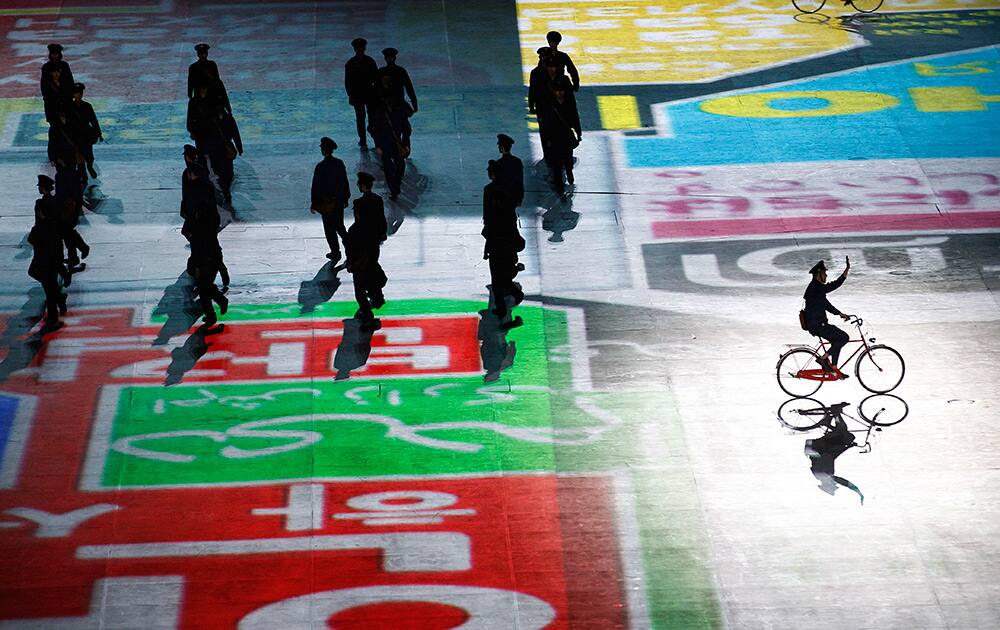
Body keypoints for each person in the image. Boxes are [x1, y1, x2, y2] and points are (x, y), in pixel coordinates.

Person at [180, 145, 230, 291]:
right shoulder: (193, 173)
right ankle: (209, 267)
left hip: (201, 218)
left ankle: (213, 269)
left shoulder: (199, 177)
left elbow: (199, 198)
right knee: (206, 243)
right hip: (197, 217)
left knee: (206, 244)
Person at [482, 160, 525, 322]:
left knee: (496, 274)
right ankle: (511, 296)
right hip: (507, 238)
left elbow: (487, 217)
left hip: (496, 239)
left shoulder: (489, 190)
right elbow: (511, 216)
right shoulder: (509, 189)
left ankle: (503, 304)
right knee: (504, 273)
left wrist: (487, 244)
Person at [28, 176, 71, 330]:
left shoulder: (40, 205)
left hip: (44, 248)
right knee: (49, 280)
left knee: (46, 281)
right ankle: (59, 300)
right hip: (54, 247)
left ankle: (54, 312)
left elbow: (39, 223)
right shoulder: (56, 204)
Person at [345, 172, 388, 329]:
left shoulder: (355, 230)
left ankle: (367, 314)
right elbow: (382, 219)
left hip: (360, 254)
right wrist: (382, 233)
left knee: (359, 288)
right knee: (372, 268)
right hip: (373, 244)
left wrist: (350, 263)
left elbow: (351, 249)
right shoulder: (377, 200)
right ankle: (377, 296)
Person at [802, 258, 853, 374]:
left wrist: (839, 313)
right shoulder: (816, 287)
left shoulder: (815, 288)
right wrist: (846, 271)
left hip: (816, 324)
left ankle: (834, 368)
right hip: (817, 325)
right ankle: (823, 359)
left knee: (837, 340)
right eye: (824, 273)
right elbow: (833, 289)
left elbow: (826, 303)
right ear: (819, 274)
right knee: (844, 338)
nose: (826, 276)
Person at [538, 75, 581, 197]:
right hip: (555, 138)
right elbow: (546, 125)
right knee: (557, 163)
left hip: (566, 137)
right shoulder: (550, 105)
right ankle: (560, 187)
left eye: (561, 90)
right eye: (557, 91)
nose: (559, 93)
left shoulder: (568, 103)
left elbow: (575, 118)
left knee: (567, 159)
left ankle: (569, 172)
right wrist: (547, 139)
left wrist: (578, 132)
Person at [310, 137, 351, 262]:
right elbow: (344, 182)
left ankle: (335, 252)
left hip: (325, 203)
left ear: (323, 151)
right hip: (338, 201)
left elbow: (316, 186)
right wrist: (345, 198)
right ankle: (350, 248)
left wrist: (314, 203)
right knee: (340, 226)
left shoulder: (320, 167)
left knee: (329, 229)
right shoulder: (339, 163)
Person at [370, 96, 409, 200]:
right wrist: (378, 145)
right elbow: (374, 130)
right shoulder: (380, 114)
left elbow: (406, 129)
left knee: (400, 166)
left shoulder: (399, 113)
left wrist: (406, 144)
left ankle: (395, 186)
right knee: (389, 169)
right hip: (385, 145)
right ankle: (394, 190)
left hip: (396, 145)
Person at [344, 38, 379, 148]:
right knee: (363, 118)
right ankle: (364, 139)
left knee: (368, 118)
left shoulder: (354, 63)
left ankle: (368, 138)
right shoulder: (367, 61)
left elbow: (376, 78)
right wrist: (351, 95)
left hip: (366, 95)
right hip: (362, 95)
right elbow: (348, 81)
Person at [54, 159, 89, 268]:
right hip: (71, 206)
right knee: (67, 232)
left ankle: (82, 248)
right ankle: (74, 256)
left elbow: (62, 193)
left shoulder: (62, 175)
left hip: (67, 207)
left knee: (67, 231)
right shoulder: (73, 174)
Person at [67, 83, 103, 180]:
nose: (77, 96)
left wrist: (98, 132)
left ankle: (89, 166)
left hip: (86, 134)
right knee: (78, 154)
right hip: (75, 134)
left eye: (79, 94)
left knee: (89, 154)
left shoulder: (87, 106)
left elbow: (93, 120)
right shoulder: (70, 107)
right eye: (75, 94)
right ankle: (82, 174)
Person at [188, 43, 231, 113]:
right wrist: (191, 96)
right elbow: (191, 83)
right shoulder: (193, 67)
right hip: (201, 95)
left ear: (207, 54)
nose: (202, 55)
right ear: (198, 54)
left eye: (204, 53)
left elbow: (217, 80)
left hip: (212, 95)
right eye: (201, 53)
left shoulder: (212, 64)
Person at [377, 48, 418, 116]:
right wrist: (414, 104)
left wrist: (414, 103)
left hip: (395, 103)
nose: (390, 59)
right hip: (392, 104)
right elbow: (409, 88)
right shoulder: (400, 71)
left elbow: (409, 88)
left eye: (391, 57)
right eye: (389, 57)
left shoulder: (382, 71)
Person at [40, 44, 74, 123]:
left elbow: (69, 80)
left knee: (68, 120)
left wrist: (69, 94)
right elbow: (44, 84)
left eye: (56, 54)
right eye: (53, 54)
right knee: (54, 122)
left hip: (65, 98)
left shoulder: (64, 65)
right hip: (51, 99)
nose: (55, 56)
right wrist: (47, 97)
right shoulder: (46, 67)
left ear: (60, 54)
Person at [494, 134, 524, 208]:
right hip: (513, 196)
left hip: (502, 197)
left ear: (502, 148)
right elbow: (520, 181)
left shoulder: (499, 163)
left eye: (499, 146)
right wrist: (520, 198)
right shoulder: (517, 161)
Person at [527, 46, 553, 118]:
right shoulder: (535, 72)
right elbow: (532, 90)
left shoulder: (556, 69)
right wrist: (531, 106)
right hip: (541, 104)